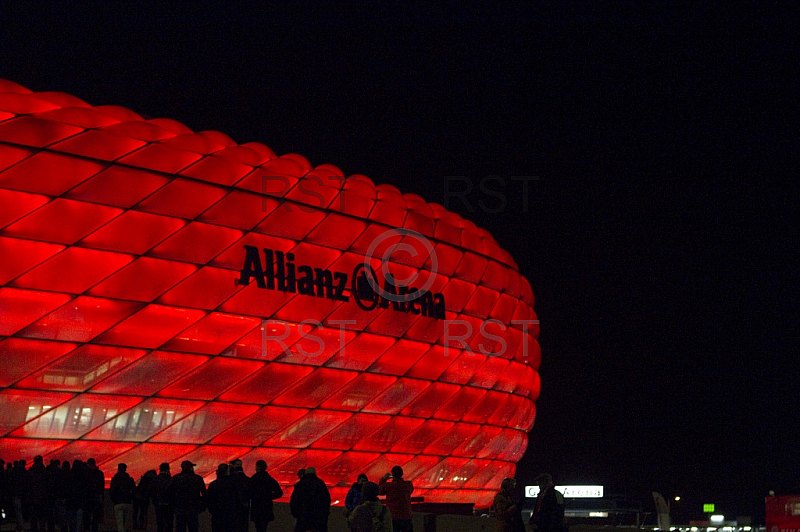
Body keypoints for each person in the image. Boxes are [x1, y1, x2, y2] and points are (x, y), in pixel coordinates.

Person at [289, 466, 330, 532]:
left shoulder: (300, 484)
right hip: (318, 515)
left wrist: (295, 512)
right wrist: (325, 511)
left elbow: (294, 500)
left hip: (303, 514)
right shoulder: (320, 483)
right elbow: (326, 499)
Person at [248, 460, 283, 532]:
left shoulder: (254, 479)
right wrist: (269, 496)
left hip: (256, 507)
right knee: (264, 527)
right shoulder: (269, 479)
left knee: (258, 527)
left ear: (257, 467)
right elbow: (279, 492)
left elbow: (248, 492)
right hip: (266, 507)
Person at [171, 461, 206, 532]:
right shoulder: (197, 478)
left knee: (180, 528)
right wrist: (202, 506)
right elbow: (204, 494)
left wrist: (173, 506)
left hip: (180, 508)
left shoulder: (176, 478)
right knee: (193, 528)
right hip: (193, 508)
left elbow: (171, 493)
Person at [379, 466, 413, 532]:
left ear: (392, 474)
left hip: (393, 516)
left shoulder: (388, 486)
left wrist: (383, 479)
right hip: (406, 515)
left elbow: (379, 490)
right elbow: (410, 491)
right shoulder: (408, 485)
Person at [207, 464, 237, 532]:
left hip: (217, 514)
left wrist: (212, 510)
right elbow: (236, 498)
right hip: (229, 514)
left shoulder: (213, 485)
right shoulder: (232, 484)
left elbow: (209, 499)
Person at [110, 464, 136, 532]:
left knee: (120, 523)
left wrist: (114, 500)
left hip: (118, 502)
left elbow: (112, 491)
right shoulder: (130, 480)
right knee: (125, 523)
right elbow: (134, 491)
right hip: (127, 502)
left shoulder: (115, 479)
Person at [84, 459, 105, 532]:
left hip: (88, 496)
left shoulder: (86, 473)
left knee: (87, 515)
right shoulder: (99, 473)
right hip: (96, 496)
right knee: (95, 516)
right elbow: (102, 486)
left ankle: (87, 528)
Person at [151, 463, 173, 532]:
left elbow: (152, 491)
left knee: (160, 522)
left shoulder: (155, 479)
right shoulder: (171, 479)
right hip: (168, 503)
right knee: (169, 522)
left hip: (158, 503)